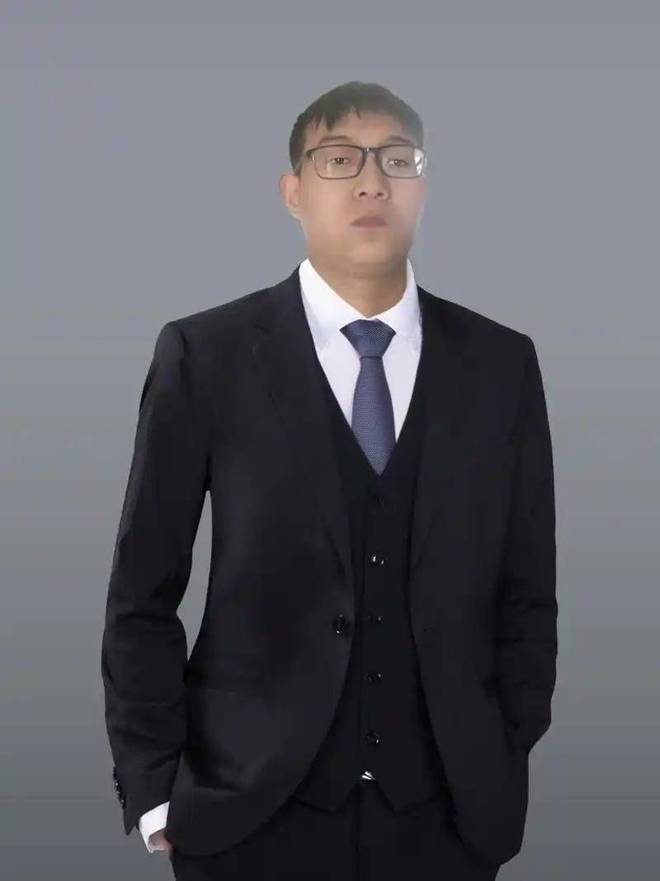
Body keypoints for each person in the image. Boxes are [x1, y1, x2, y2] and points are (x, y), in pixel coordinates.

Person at [101, 80, 557, 880]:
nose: (372, 182)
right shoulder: (206, 356)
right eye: (340, 159)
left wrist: (499, 748)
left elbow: (528, 592)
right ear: (294, 192)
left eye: (397, 160)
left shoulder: (500, 363)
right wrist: (153, 788)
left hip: (447, 822)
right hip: (244, 816)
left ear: (424, 187)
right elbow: (142, 592)